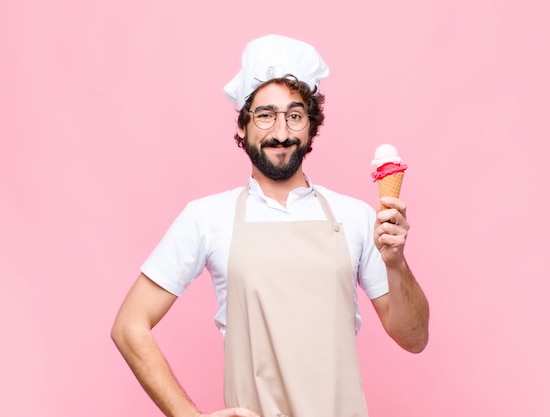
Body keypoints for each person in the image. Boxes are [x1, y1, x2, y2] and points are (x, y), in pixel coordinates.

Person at [111, 34, 429, 417]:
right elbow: (129, 326)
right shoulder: (207, 218)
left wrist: (396, 262)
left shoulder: (356, 217)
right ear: (243, 126)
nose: (281, 132)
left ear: (310, 128)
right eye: (265, 115)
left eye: (295, 115)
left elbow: (414, 338)